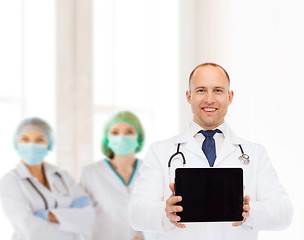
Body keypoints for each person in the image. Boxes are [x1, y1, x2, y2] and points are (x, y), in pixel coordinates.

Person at [128, 63, 293, 239]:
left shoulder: (255, 153)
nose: (209, 99)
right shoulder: (160, 152)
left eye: (218, 90)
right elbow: (135, 214)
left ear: (230, 97)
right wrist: (165, 212)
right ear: (188, 96)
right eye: (200, 90)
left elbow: (284, 212)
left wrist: (249, 211)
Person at [0, 117, 95, 240]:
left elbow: (87, 217)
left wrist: (46, 216)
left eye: (39, 140)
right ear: (16, 144)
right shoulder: (10, 181)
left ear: (48, 144)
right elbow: (29, 230)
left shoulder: (62, 175)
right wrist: (69, 222)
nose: (32, 145)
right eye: (25, 139)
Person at [80, 111, 148, 240]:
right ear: (107, 138)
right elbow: (81, 219)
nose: (122, 137)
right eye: (115, 132)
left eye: (129, 132)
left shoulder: (150, 171)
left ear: (139, 137)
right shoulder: (91, 173)